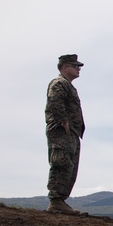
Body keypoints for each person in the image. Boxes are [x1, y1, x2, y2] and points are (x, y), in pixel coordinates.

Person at [45, 54, 86, 215]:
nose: (78, 69)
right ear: (64, 67)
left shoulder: (67, 85)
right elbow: (55, 101)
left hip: (72, 131)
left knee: (70, 165)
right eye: (75, 66)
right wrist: (63, 121)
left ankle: (60, 200)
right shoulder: (59, 83)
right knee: (61, 162)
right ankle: (56, 200)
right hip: (62, 130)